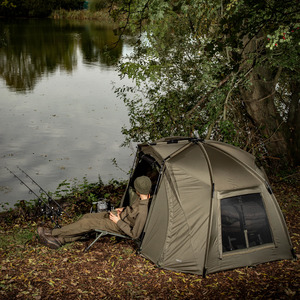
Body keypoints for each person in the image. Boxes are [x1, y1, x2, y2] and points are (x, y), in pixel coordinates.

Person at [37, 176, 152, 249]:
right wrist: (123, 209)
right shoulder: (144, 197)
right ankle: (61, 240)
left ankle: (52, 233)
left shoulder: (143, 211)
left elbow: (134, 234)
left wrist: (118, 221)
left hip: (119, 225)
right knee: (87, 216)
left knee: (88, 223)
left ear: (137, 190)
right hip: (118, 216)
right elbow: (132, 210)